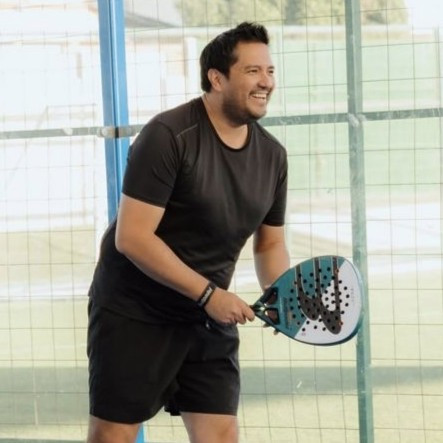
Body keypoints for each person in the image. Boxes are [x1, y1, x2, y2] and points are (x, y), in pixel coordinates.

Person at [86, 21, 290, 443]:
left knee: (220, 435)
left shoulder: (273, 156)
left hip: (205, 318)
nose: (266, 82)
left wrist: (281, 294)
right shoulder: (168, 136)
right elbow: (132, 237)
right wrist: (210, 295)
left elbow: (270, 243)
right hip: (135, 311)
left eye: (270, 71)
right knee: (113, 436)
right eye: (252, 71)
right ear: (217, 78)